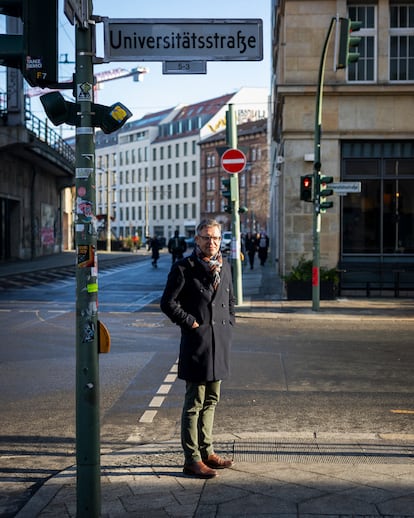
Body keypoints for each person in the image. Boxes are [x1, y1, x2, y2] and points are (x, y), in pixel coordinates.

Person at [160, 218, 235, 479]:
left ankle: (208, 452)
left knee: (212, 400)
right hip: (197, 342)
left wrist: (229, 326)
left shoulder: (225, 267)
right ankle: (191, 459)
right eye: (206, 237)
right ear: (197, 239)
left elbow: (230, 300)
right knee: (194, 402)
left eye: (215, 238)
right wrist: (190, 322)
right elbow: (168, 303)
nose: (212, 242)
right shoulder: (184, 267)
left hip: (219, 342)